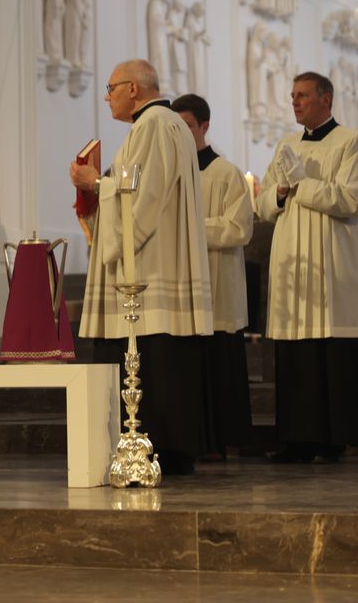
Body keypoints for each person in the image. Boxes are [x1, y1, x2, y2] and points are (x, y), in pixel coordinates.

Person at [70, 59, 212, 475]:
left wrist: (95, 183)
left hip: (150, 267)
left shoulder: (154, 125)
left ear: (133, 89)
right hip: (156, 259)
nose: (107, 97)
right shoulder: (162, 125)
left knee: (154, 358)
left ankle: (154, 449)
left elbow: (144, 197)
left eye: (111, 88)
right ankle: (164, 448)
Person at [255, 72, 358, 463]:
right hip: (294, 265)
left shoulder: (353, 143)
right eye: (293, 95)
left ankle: (334, 439)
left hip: (333, 267)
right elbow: (262, 205)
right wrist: (279, 192)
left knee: (332, 353)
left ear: (326, 99)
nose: (295, 102)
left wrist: (300, 182)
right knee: (298, 357)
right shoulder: (286, 145)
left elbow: (350, 200)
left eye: (303, 95)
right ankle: (298, 439)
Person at [171, 94, 254, 459]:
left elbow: (239, 228)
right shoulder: (168, 175)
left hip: (219, 288)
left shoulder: (225, 174)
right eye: (176, 128)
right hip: (179, 289)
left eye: (187, 126)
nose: (182, 134)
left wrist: (189, 228)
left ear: (204, 126)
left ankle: (220, 440)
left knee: (218, 365)